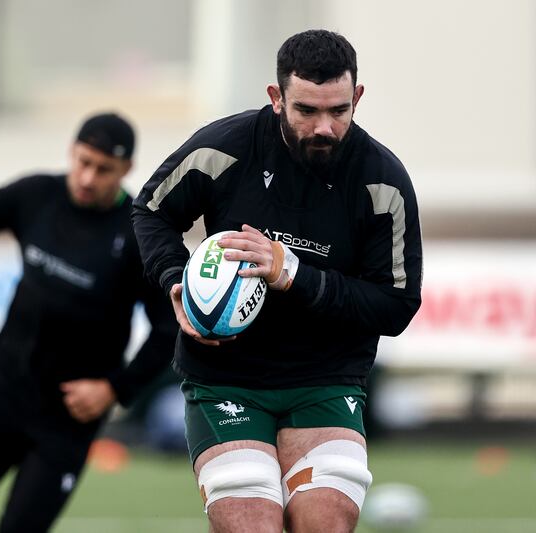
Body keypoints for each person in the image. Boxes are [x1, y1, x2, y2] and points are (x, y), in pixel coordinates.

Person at [132, 29, 423, 533]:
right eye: (306, 110)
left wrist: (293, 274)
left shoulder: (383, 183)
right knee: (253, 526)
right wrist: (176, 280)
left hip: (326, 380)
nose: (324, 128)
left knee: (324, 523)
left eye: (338, 110)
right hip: (226, 376)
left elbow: (396, 307)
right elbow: (150, 210)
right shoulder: (225, 148)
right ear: (276, 98)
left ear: (356, 97)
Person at [0, 112, 177, 533]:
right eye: (83, 161)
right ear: (71, 153)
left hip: (68, 416)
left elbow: (168, 327)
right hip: (3, 392)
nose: (88, 177)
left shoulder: (138, 233)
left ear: (127, 170)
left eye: (103, 169)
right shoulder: (39, 194)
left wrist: (116, 389)